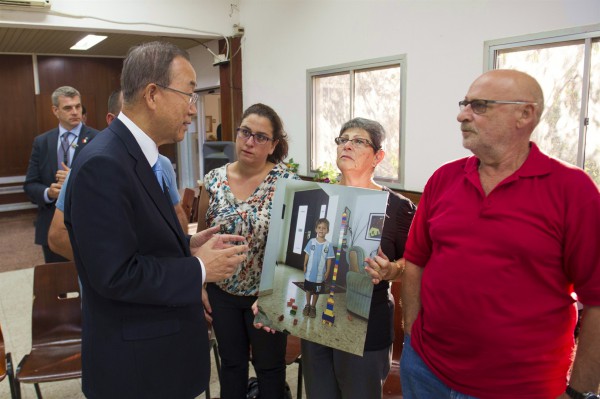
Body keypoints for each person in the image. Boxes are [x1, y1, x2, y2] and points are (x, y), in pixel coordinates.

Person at [63, 41, 249, 399]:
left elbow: (136, 238)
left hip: (158, 359)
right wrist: (198, 268)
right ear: (152, 94)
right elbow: (115, 275)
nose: (193, 111)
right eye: (189, 95)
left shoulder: (135, 155)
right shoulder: (104, 163)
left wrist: (185, 246)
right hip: (137, 370)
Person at [401, 70, 600, 399]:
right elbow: (415, 260)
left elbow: (596, 301)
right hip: (425, 370)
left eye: (479, 106)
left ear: (525, 114)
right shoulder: (444, 178)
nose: (462, 114)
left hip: (520, 388)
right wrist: (411, 335)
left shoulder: (573, 190)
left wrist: (578, 393)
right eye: (464, 104)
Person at [301, 117, 416, 399]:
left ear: (378, 156)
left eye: (358, 141)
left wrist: (391, 270)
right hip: (316, 322)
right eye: (342, 139)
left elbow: (412, 263)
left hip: (366, 323)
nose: (347, 145)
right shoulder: (318, 198)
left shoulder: (398, 208)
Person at [197, 103, 300, 399]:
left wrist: (278, 295)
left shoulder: (288, 183)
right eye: (245, 132)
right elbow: (203, 235)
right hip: (222, 291)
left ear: (273, 145)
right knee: (231, 365)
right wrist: (201, 282)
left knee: (269, 368)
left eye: (260, 137)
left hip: (266, 295)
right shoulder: (214, 180)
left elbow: (295, 249)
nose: (250, 142)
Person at [48, 90, 190, 260]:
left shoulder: (162, 165)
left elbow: (177, 216)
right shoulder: (92, 164)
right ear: (112, 121)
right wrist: (111, 266)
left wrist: (183, 252)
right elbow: (58, 237)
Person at [23, 86, 99, 263]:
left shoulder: (98, 138)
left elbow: (106, 182)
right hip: (52, 227)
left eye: (78, 107)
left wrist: (74, 179)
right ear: (55, 110)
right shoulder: (42, 142)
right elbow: (30, 184)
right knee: (57, 285)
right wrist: (49, 193)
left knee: (90, 286)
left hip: (90, 224)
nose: (75, 112)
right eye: (68, 108)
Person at [302, 218, 334, 318]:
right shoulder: (311, 242)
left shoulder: (328, 245)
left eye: (324, 228)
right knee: (308, 290)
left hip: (320, 275)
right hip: (309, 274)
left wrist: (328, 271)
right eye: (319, 227)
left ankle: (313, 307)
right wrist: (304, 265)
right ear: (316, 229)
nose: (321, 230)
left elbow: (329, 259)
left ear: (327, 231)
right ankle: (307, 305)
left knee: (316, 291)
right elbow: (307, 254)